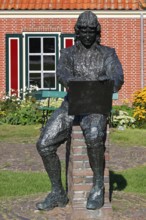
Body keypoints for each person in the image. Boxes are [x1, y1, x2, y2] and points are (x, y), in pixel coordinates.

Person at [36, 11, 124, 211]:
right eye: (82, 30)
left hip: (95, 107)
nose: (86, 34)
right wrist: (71, 81)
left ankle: (98, 187)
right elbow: (62, 72)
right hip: (71, 106)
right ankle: (58, 192)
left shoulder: (108, 54)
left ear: (97, 31)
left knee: (94, 136)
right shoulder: (68, 54)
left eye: (90, 30)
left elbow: (117, 76)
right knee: (44, 144)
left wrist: (109, 82)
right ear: (77, 31)